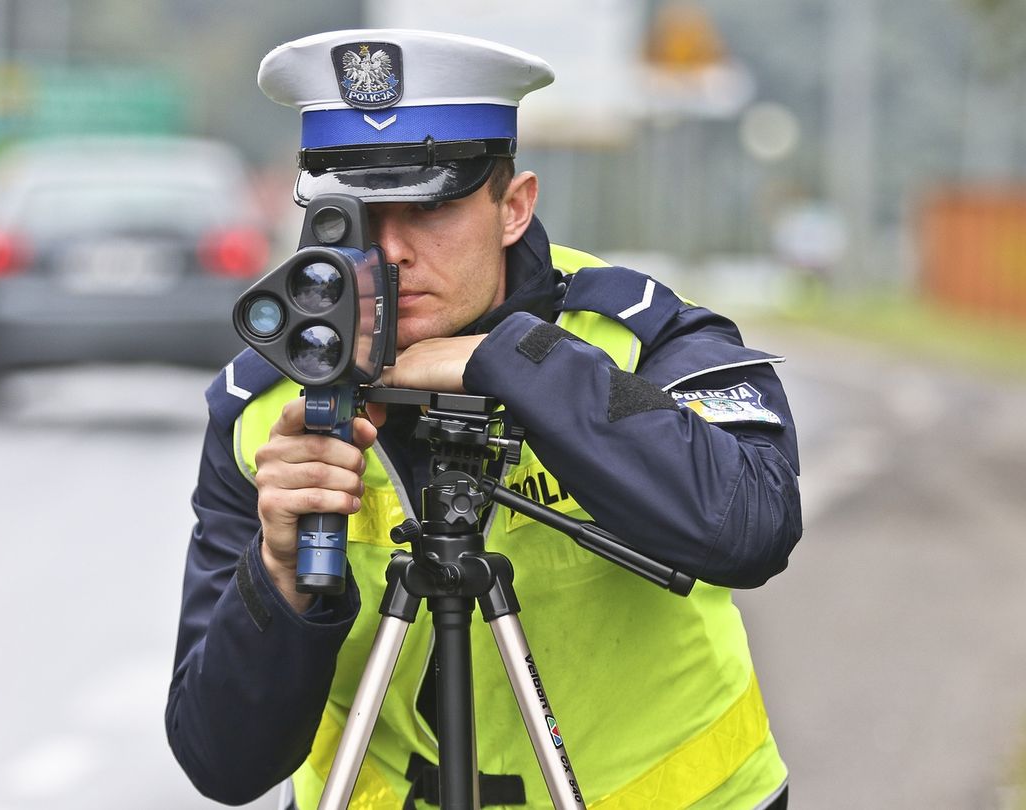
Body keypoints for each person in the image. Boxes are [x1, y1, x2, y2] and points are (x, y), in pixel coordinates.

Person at [167, 29, 800, 810]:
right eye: (356, 216)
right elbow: (221, 764)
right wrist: (279, 575)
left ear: (514, 206)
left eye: (430, 205)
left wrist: (517, 360)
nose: (390, 251)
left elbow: (752, 524)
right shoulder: (264, 409)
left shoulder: (634, 337)